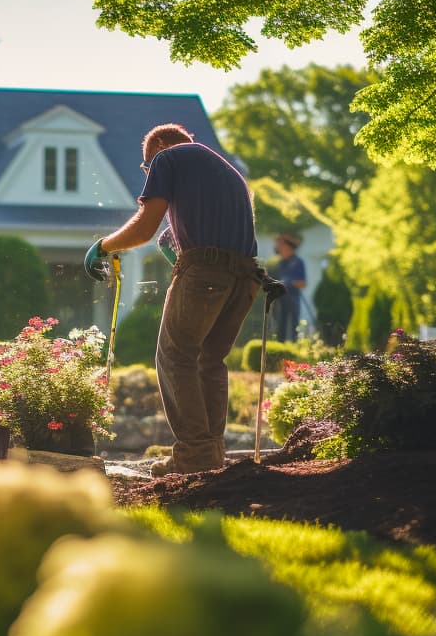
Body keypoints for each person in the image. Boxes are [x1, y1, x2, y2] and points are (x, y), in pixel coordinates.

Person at [84, 123, 285, 476]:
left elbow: (144, 228)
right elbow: (203, 233)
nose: (149, 172)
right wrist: (174, 241)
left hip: (205, 272)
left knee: (175, 357)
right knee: (209, 360)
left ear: (160, 145)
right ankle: (211, 453)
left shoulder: (169, 157)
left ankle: (193, 455)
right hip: (245, 278)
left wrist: (102, 247)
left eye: (147, 167)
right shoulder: (226, 170)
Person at [271, 233, 307, 342]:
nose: (280, 249)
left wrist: (288, 283)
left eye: (282, 247)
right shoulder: (281, 263)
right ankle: (280, 348)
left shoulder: (298, 262)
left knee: (293, 326)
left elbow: (303, 283)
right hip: (280, 299)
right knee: (280, 326)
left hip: (292, 298)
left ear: (289, 247)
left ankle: (293, 348)